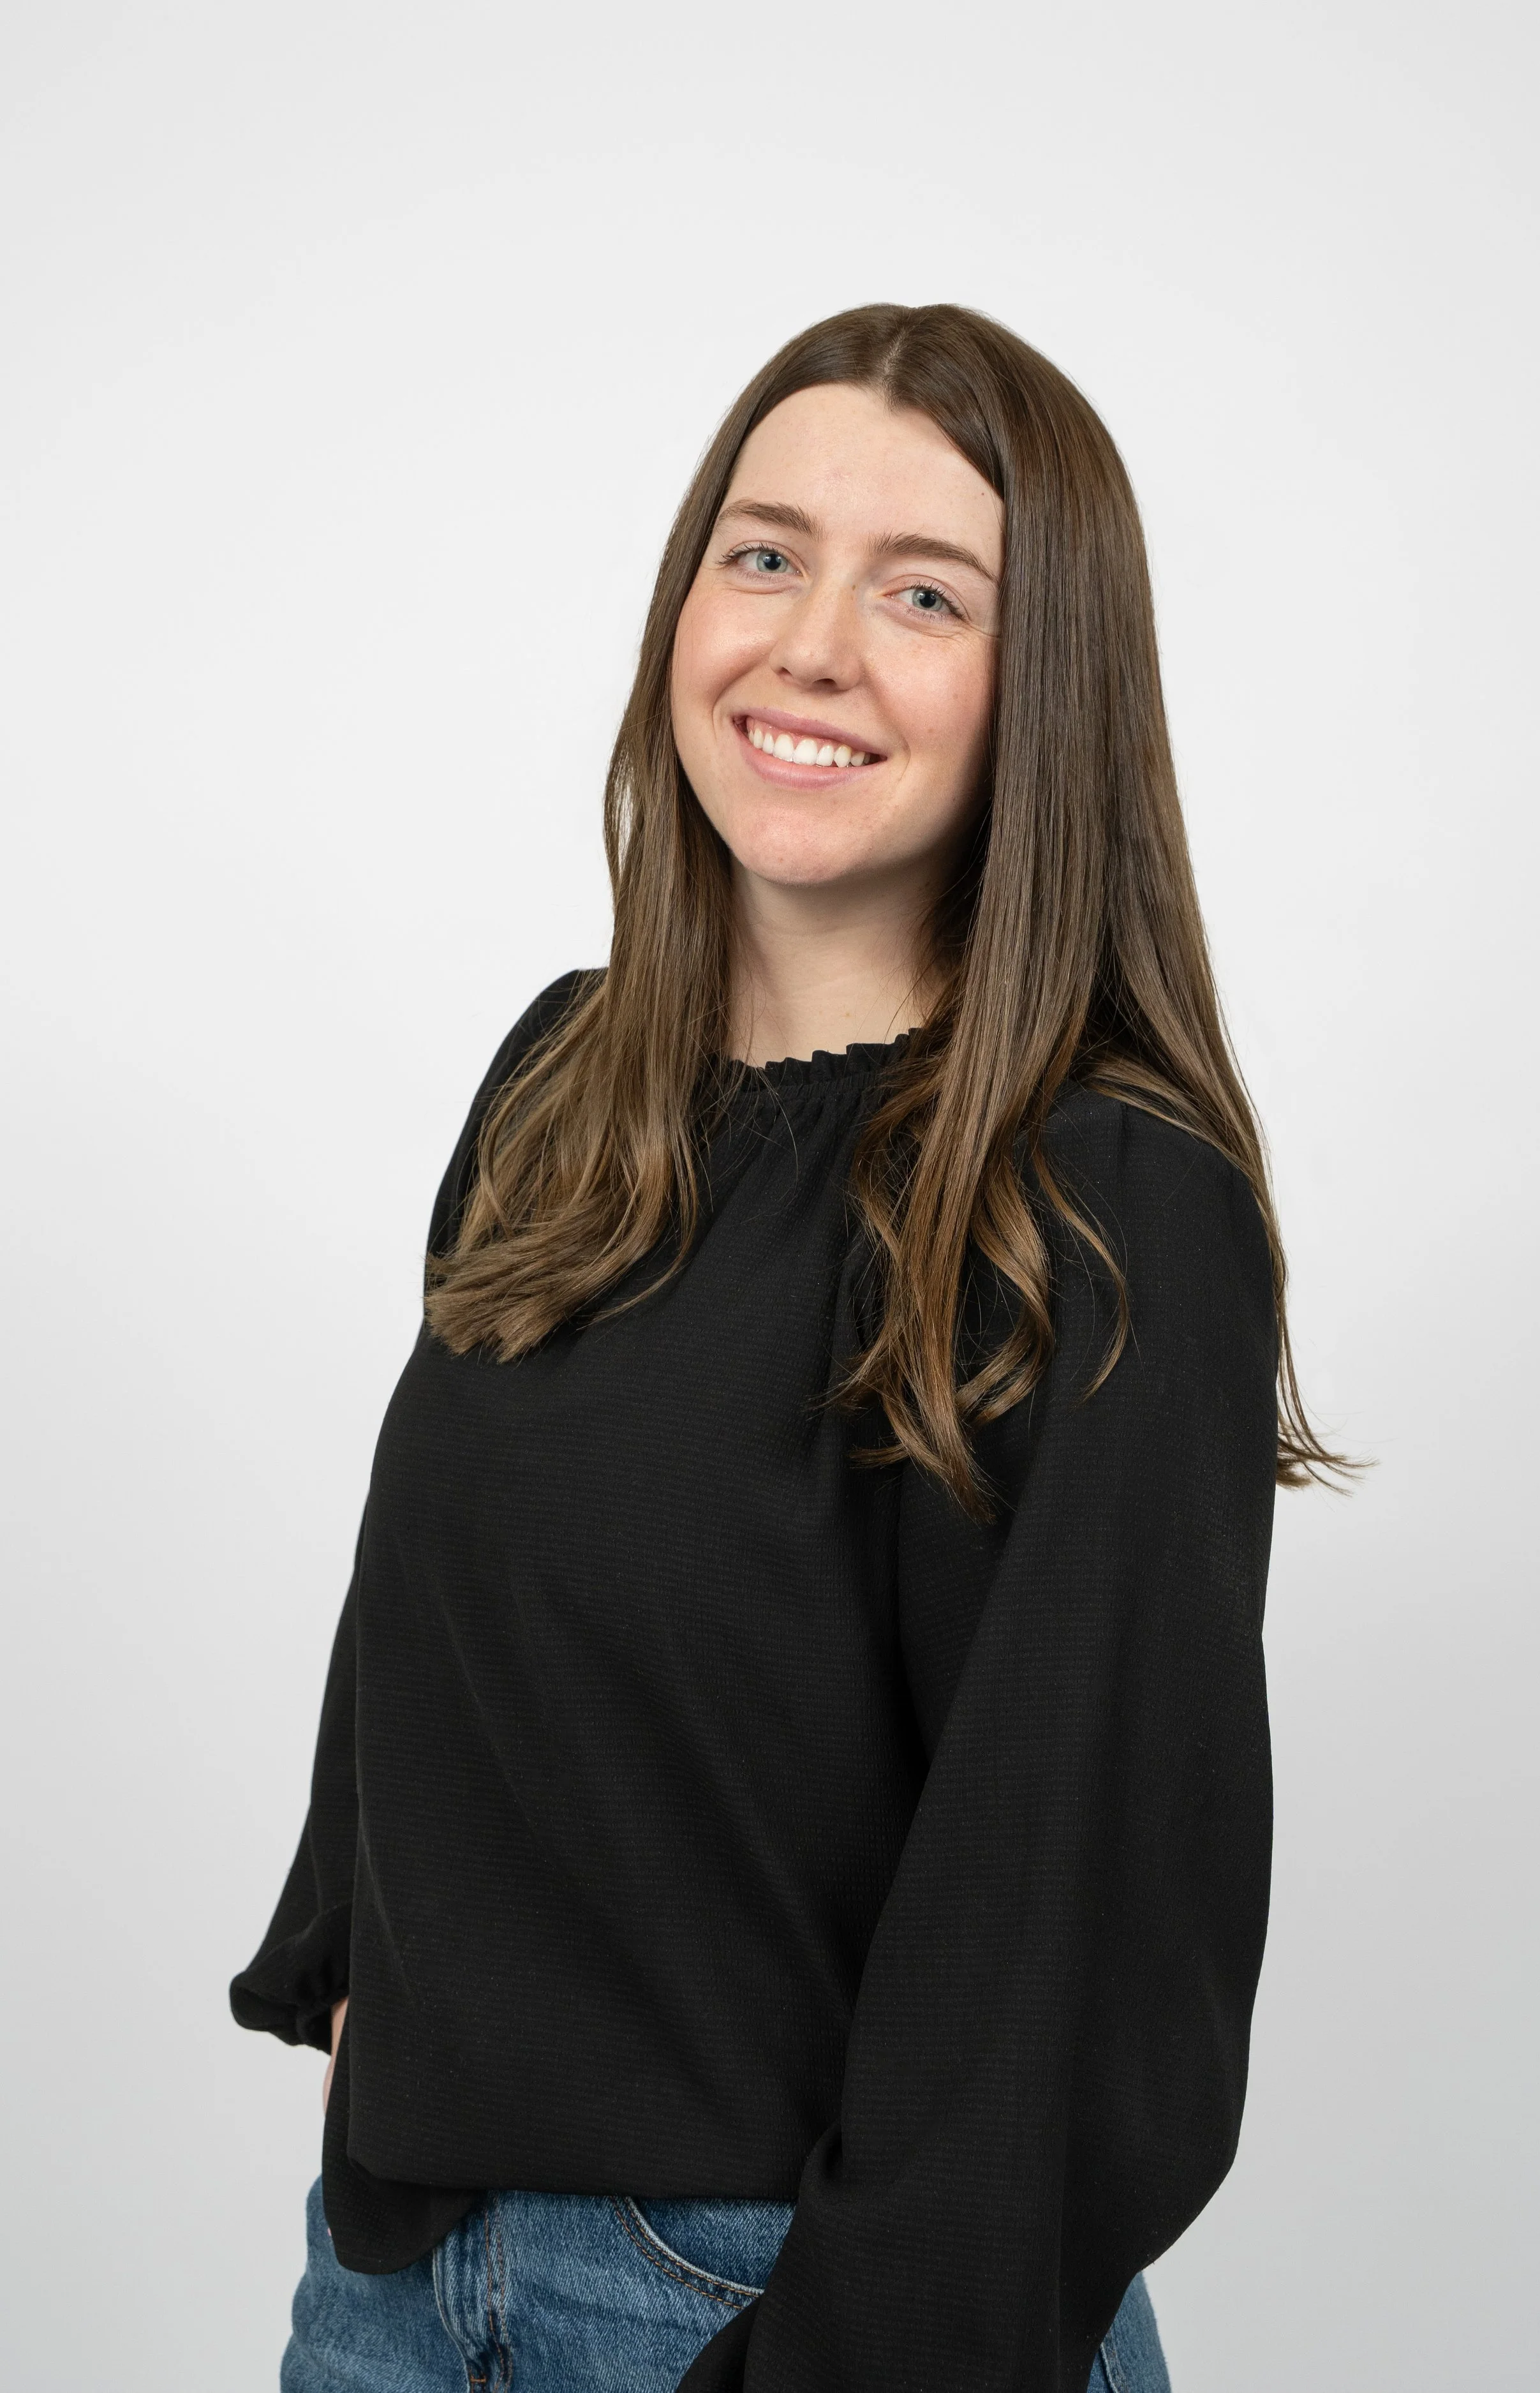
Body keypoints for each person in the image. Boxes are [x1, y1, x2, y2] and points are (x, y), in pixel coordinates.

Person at [232, 301, 1337, 2393]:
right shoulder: (560, 1078)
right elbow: (434, 1617)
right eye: (763, 553)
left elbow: (1079, 1918)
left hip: (795, 2318)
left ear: (1046, 688)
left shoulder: (1103, 1194)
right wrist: (363, 2012)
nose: (812, 643)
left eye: (924, 592)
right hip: (395, 2283)